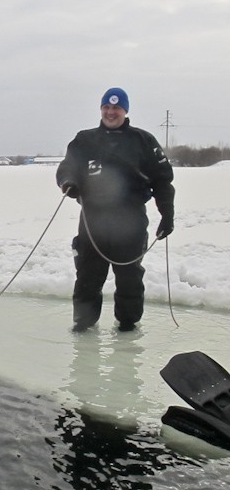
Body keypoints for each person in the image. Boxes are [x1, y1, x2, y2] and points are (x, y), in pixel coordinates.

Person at [56, 87, 175, 333]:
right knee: (88, 276)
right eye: (107, 107)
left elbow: (162, 180)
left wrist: (167, 214)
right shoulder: (84, 140)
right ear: (101, 109)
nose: (111, 112)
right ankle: (84, 324)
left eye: (116, 108)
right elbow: (68, 167)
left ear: (125, 110)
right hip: (92, 221)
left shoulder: (143, 141)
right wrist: (69, 182)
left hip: (130, 221)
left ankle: (128, 325)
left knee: (129, 277)